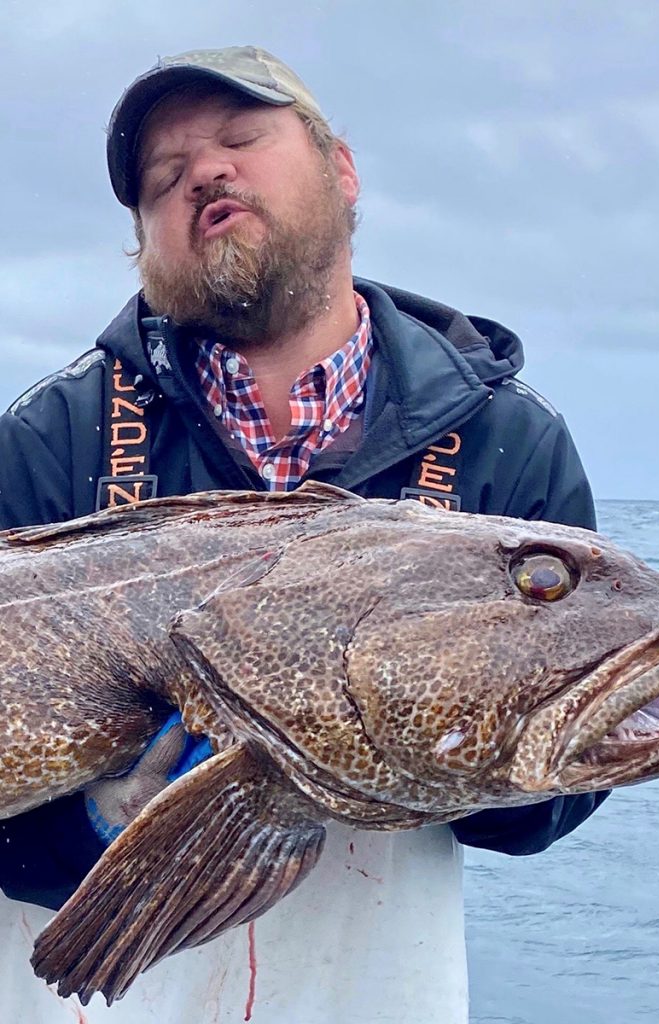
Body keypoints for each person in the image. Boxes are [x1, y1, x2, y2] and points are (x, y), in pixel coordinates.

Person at [0, 46, 608, 1024]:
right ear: (142, 246)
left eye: (242, 138)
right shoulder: (43, 441)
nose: (205, 172)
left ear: (343, 168)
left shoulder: (509, 439)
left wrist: (470, 729)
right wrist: (97, 827)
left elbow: (548, 805)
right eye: (164, 178)